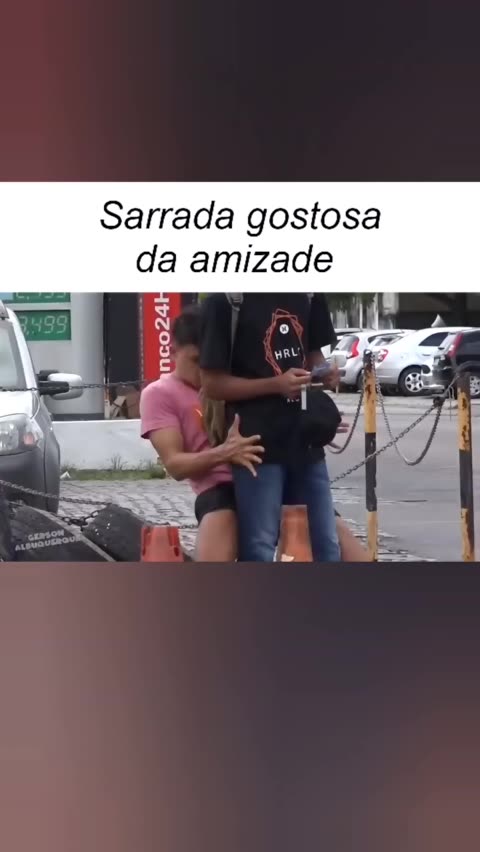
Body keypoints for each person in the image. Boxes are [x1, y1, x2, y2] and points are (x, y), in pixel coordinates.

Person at [199, 293, 342, 562]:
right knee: (259, 548)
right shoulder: (227, 299)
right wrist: (275, 385)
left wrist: (325, 372)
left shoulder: (310, 294)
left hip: (306, 438)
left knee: (325, 545)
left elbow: (313, 355)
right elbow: (212, 385)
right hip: (256, 445)